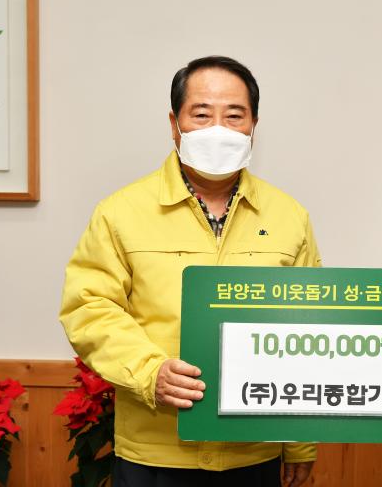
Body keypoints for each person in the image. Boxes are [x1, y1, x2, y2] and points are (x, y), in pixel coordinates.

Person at [60, 56, 320, 487]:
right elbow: (88, 309)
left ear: (254, 125)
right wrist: (150, 373)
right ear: (174, 124)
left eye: (234, 115)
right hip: (155, 454)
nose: (218, 128)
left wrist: (299, 443)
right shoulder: (120, 212)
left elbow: (307, 325)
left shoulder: (289, 216)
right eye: (201, 114)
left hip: (252, 453)